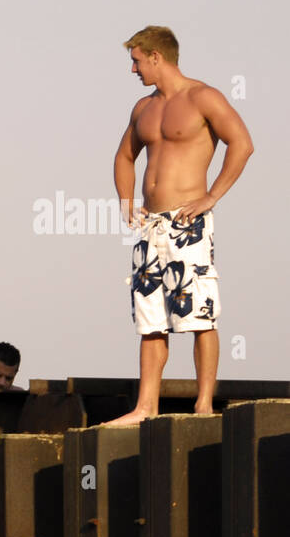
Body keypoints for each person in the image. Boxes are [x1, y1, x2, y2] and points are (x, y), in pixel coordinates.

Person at [106, 25, 254, 425]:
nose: (133, 69)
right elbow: (124, 156)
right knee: (150, 318)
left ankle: (204, 403)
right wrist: (126, 201)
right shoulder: (143, 108)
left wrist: (211, 197)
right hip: (150, 226)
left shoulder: (203, 97)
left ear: (157, 56)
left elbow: (242, 143)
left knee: (199, 313)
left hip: (188, 223)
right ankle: (145, 406)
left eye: (137, 60)